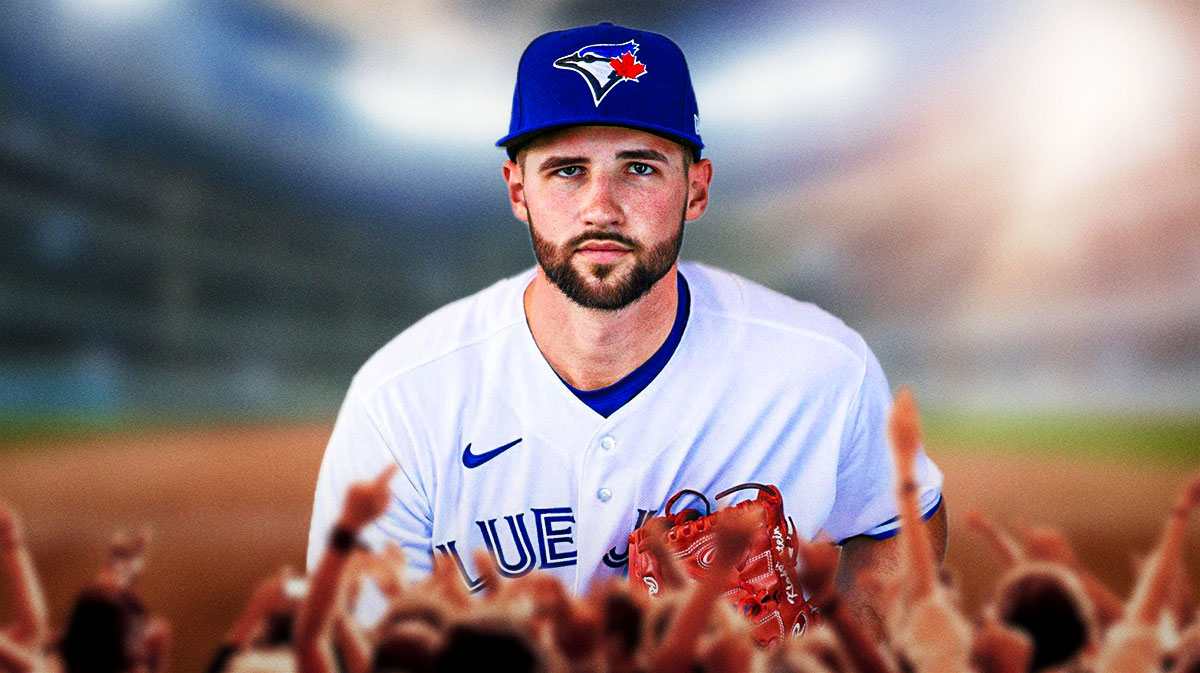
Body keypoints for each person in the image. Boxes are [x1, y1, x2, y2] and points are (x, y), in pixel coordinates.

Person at [308, 21, 946, 630]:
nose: (600, 207)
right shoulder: (402, 401)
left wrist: (845, 650)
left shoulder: (820, 369)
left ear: (696, 189)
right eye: (566, 170)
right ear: (517, 189)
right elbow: (358, 644)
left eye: (639, 168)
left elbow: (902, 522)